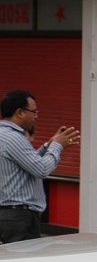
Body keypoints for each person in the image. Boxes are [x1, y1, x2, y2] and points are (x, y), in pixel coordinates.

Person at [0, 89, 80, 243]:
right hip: (19, 217)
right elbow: (41, 169)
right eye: (34, 112)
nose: (36, 117)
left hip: (10, 215)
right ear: (20, 112)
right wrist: (57, 146)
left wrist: (48, 145)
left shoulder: (5, 135)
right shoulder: (13, 138)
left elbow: (27, 163)